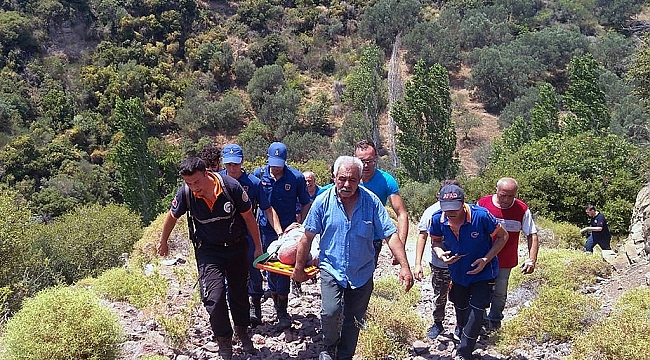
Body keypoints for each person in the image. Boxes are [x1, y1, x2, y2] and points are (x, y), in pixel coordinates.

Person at [292, 156, 414, 360]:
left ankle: (345, 355)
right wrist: (298, 269)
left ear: (360, 179)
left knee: (355, 319)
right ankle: (329, 346)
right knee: (330, 312)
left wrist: (405, 266)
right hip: (331, 268)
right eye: (342, 179)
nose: (347, 184)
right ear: (334, 177)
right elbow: (307, 237)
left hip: (362, 271)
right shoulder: (323, 201)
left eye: (352, 180)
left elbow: (390, 234)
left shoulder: (371, 202)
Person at [157, 157, 262, 360]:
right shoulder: (186, 194)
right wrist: (163, 242)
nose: (194, 187)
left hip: (237, 247)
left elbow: (249, 217)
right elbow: (172, 216)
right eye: (189, 183)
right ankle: (223, 340)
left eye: (196, 182)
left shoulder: (231, 187)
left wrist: (258, 247)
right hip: (208, 252)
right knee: (213, 297)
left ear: (206, 173)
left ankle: (242, 332)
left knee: (239, 293)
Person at [429, 184, 508, 360]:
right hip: (458, 272)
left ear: (463, 203)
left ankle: (464, 352)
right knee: (461, 308)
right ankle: (464, 336)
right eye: (446, 209)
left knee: (477, 310)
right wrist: (441, 254)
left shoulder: (481, 215)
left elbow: (503, 236)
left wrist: (486, 259)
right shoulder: (437, 219)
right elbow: (435, 242)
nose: (450, 213)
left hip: (484, 271)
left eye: (454, 208)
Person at [219, 143, 284, 327]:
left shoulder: (253, 183)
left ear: (242, 162)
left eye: (236, 164)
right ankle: (233, 313)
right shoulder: (216, 181)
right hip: (223, 236)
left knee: (254, 270)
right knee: (226, 274)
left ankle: (255, 305)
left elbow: (267, 209)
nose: (232, 168)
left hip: (248, 234)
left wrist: (280, 232)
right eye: (229, 164)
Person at [253, 142, 311, 329]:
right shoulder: (259, 174)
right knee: (269, 265)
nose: (276, 166)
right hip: (265, 228)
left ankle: (282, 310)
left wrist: (301, 226)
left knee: (285, 267)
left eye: (280, 162)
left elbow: (305, 202)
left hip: (288, 230)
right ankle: (272, 295)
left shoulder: (296, 177)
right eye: (273, 162)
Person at [477, 177, 539, 331]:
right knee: (480, 289)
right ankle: (480, 319)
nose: (505, 199)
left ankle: (495, 320)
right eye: (502, 195)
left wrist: (531, 259)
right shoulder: (483, 204)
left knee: (500, 292)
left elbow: (532, 234)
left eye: (510, 196)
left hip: (505, 260)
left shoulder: (522, 209)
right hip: (482, 258)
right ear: (496, 191)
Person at [413, 179, 460, 339]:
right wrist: (417, 263)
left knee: (461, 293)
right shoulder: (431, 213)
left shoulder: (467, 211)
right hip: (439, 263)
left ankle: (461, 324)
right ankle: (438, 323)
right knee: (439, 294)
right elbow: (422, 236)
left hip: (462, 262)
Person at [354, 140, 409, 266]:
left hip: (373, 239)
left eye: (370, 161)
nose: (366, 165)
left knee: (365, 279)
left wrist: (399, 247)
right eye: (362, 161)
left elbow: (402, 214)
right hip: (347, 234)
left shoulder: (386, 181)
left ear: (376, 158)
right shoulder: (348, 178)